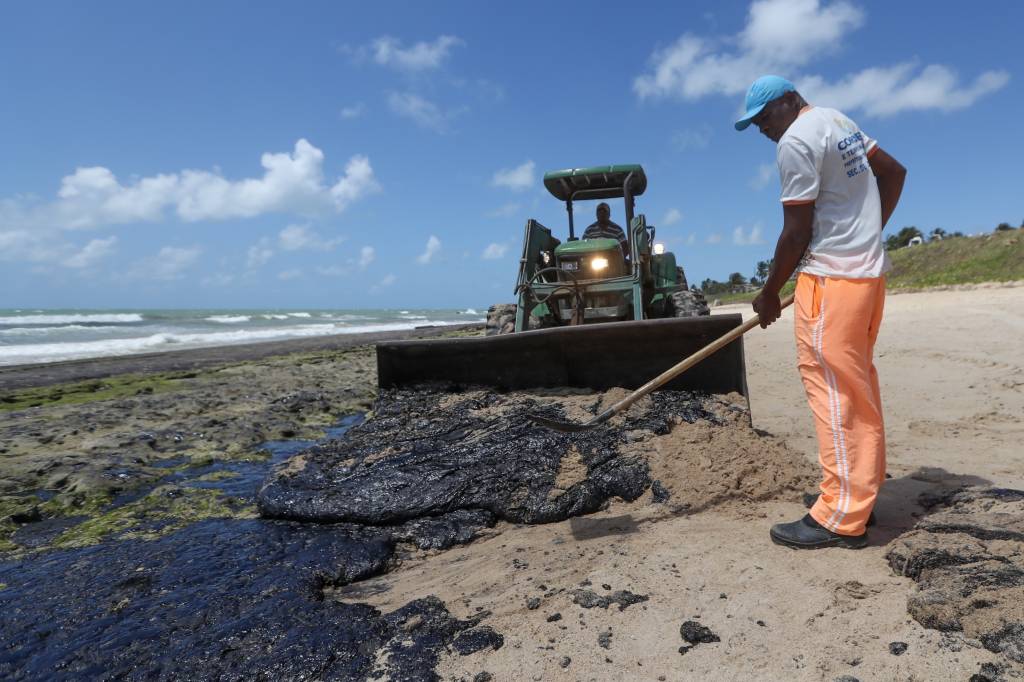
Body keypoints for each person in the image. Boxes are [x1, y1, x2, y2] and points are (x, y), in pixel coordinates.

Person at [735, 75, 906, 549]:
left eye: (765, 117)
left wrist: (769, 293)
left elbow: (795, 231)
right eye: (754, 124)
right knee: (856, 388)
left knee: (834, 393)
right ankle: (856, 497)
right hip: (868, 278)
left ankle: (838, 516)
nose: (763, 129)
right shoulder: (837, 120)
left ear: (790, 101)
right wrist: (864, 237)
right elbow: (894, 172)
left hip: (831, 284)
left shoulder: (795, 141)